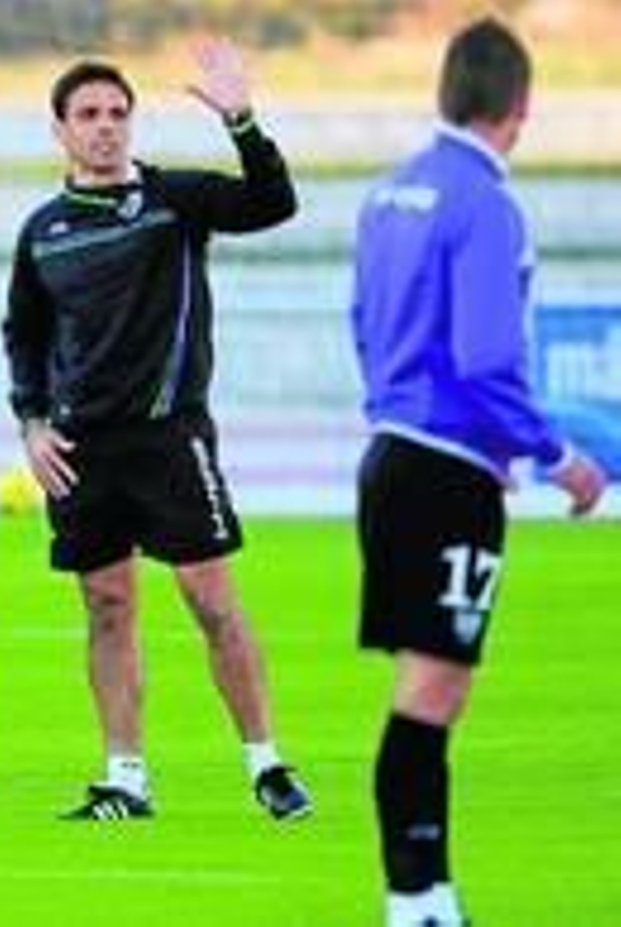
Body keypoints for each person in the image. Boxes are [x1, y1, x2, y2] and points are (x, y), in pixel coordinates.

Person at [2, 41, 313, 821]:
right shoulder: (42, 230)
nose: (105, 127)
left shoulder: (176, 199)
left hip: (171, 438)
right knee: (108, 606)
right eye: (88, 115)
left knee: (210, 601)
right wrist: (33, 424)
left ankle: (267, 763)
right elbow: (24, 335)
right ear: (60, 130)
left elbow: (274, 203)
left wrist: (241, 119)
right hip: (81, 449)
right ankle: (125, 778)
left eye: (117, 113)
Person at [350, 18, 607, 925]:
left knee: (429, 681)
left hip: (390, 456)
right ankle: (416, 895)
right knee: (434, 687)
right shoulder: (486, 203)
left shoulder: (389, 196)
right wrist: (557, 456)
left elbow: (363, 326)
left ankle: (425, 892)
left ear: (445, 92)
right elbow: (490, 357)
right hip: (446, 469)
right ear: (521, 107)